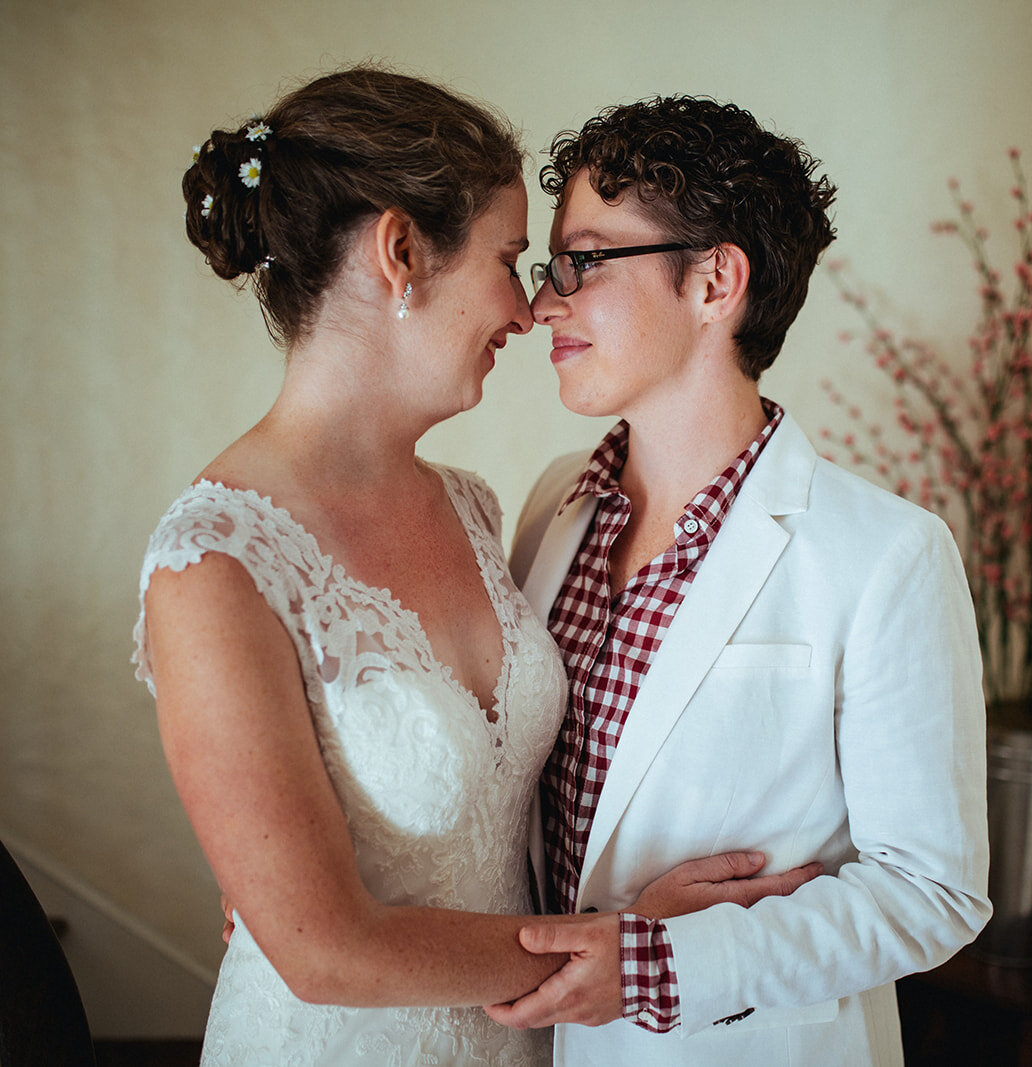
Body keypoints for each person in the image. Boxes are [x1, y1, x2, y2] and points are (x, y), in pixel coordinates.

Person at [134, 68, 814, 1067]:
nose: (532, 306)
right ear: (400, 252)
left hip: (530, 1040)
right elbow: (321, 949)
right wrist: (623, 948)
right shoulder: (213, 563)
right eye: (510, 258)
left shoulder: (476, 504)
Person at [492, 96, 992, 1065]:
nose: (546, 302)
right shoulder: (554, 506)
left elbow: (933, 890)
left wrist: (660, 960)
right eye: (552, 266)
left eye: (585, 261)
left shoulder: (889, 555)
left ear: (716, 280)